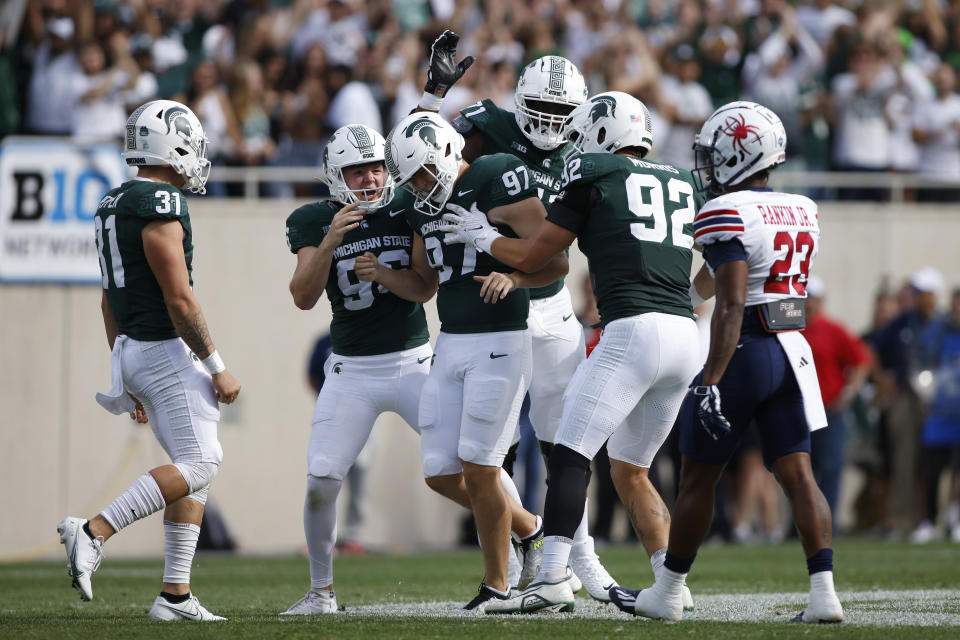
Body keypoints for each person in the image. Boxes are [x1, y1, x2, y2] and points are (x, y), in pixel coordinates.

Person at [441, 92, 703, 614]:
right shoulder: (680, 179)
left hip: (632, 330)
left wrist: (485, 237)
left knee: (570, 455)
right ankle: (672, 589)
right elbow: (717, 266)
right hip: (685, 333)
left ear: (603, 135)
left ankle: (554, 576)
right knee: (634, 469)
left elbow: (542, 253)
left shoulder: (595, 172)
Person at [609, 101, 842, 624]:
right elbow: (734, 270)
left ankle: (667, 594)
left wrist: (711, 378)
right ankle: (824, 594)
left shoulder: (725, 210)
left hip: (744, 351)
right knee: (800, 474)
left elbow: (733, 300)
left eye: (716, 155)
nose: (710, 166)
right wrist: (688, 299)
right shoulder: (802, 207)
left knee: (697, 480)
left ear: (740, 153)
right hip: (791, 348)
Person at [418, 30, 615, 600]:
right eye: (541, 109)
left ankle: (579, 559)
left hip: (548, 304)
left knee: (563, 444)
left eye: (562, 112)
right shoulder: (490, 124)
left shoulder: (593, 151)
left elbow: (561, 253)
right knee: (486, 450)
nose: (551, 121)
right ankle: (526, 548)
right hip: (492, 309)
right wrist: (433, 98)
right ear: (519, 103)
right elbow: (418, 152)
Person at [58, 99, 241, 621]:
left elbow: (106, 300)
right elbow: (179, 299)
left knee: (194, 465)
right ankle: (94, 531)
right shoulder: (160, 202)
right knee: (203, 461)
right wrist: (217, 366)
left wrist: (123, 368)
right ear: (172, 144)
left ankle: (175, 596)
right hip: (163, 349)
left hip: (137, 348)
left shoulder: (114, 201)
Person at [385, 111, 568, 610]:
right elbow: (424, 283)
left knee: (481, 465)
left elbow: (553, 258)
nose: (419, 186)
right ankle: (530, 529)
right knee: (441, 470)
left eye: (423, 172)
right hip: (450, 342)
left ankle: (497, 585)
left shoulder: (494, 174)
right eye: (411, 179)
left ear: (446, 150)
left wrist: (513, 275)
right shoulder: (421, 207)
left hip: (500, 338)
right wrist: (382, 274)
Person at [280, 124, 438, 615]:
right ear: (335, 174)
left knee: (466, 461)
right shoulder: (313, 220)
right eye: (357, 170)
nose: (370, 179)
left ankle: (530, 540)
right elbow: (303, 297)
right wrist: (330, 241)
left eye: (376, 168)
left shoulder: (405, 207)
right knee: (322, 478)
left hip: (413, 362)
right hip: (351, 370)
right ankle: (320, 593)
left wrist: (386, 275)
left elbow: (424, 289)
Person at [801, 275, 872, 523]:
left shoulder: (833, 330)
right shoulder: (791, 327)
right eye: (806, 297)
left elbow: (861, 361)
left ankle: (826, 523)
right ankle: (798, 524)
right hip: (799, 410)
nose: (809, 303)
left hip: (830, 409)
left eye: (813, 298)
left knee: (830, 468)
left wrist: (849, 392)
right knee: (800, 470)